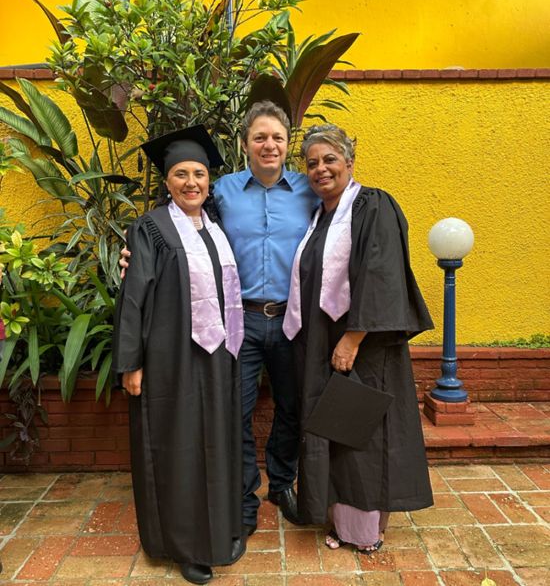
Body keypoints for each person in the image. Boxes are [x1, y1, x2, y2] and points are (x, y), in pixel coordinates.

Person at [120, 102, 319, 536]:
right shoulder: (221, 191)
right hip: (237, 323)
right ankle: (244, 494)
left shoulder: (310, 192)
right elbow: (182, 230)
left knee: (292, 408)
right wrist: (135, 255)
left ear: (289, 144)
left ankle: (281, 484)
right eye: (260, 137)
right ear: (245, 144)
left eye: (278, 137)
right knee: (234, 411)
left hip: (292, 320)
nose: (269, 145)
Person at [283, 124, 434, 554]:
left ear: (349, 161)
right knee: (334, 431)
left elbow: (381, 273)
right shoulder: (320, 218)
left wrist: (352, 338)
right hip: (323, 343)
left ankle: (364, 532)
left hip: (363, 346)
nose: (321, 169)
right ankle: (338, 520)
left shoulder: (373, 205)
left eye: (330, 159)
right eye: (312, 162)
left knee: (359, 433)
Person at [112, 125, 246, 585]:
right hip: (171, 360)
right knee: (181, 447)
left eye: (200, 174)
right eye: (181, 174)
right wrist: (131, 363)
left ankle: (221, 531)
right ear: (167, 181)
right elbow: (134, 296)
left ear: (209, 181)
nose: (192, 183)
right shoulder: (150, 227)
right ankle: (186, 547)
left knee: (217, 442)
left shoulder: (216, 229)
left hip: (218, 359)